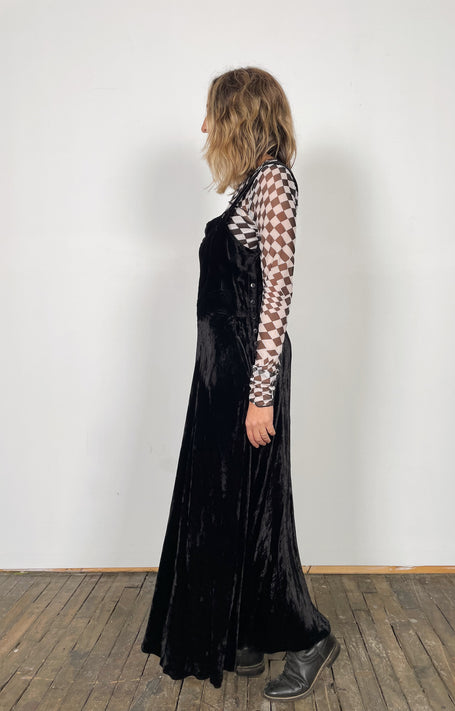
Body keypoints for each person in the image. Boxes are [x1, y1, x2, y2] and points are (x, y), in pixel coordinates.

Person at [140, 66, 339, 702]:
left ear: (238, 117)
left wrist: (260, 393)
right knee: (229, 503)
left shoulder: (274, 182)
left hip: (248, 374)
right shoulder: (250, 188)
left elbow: (278, 286)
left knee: (260, 507)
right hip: (220, 376)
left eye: (211, 114)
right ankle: (248, 627)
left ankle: (308, 637)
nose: (203, 127)